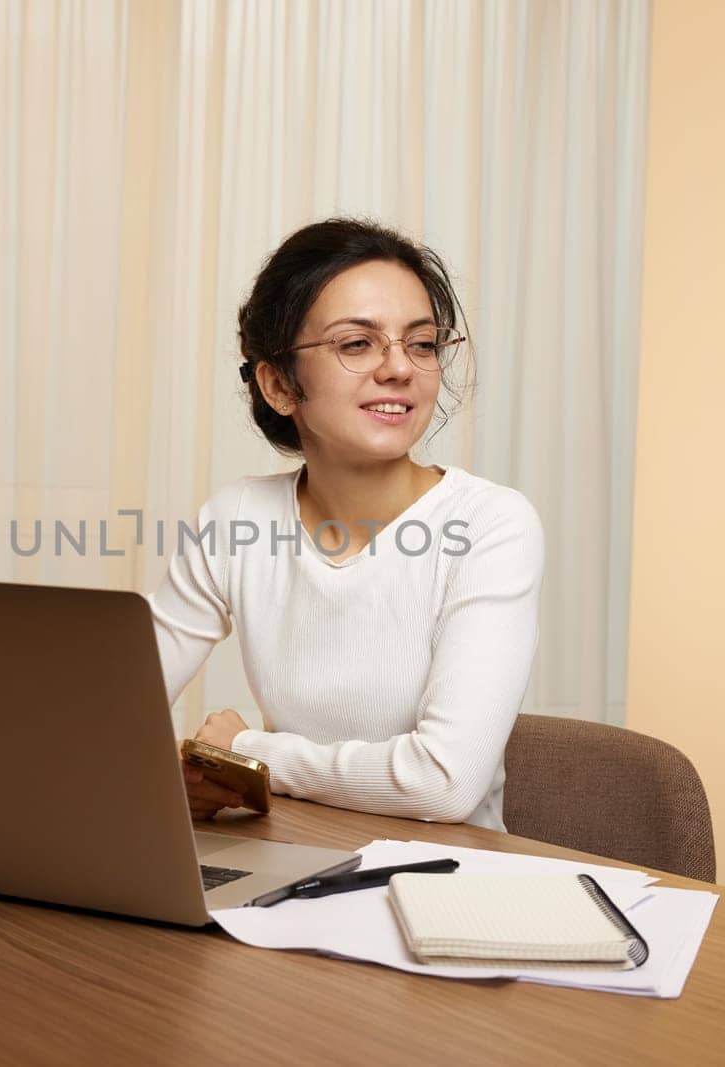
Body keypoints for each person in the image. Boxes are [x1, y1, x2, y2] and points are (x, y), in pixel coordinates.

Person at [150, 218, 543, 830]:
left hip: (445, 883)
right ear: (279, 384)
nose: (399, 369)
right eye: (356, 344)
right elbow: (112, 714)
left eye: (421, 342)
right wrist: (194, 773)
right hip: (289, 859)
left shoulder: (490, 524)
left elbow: (445, 784)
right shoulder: (236, 521)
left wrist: (249, 755)